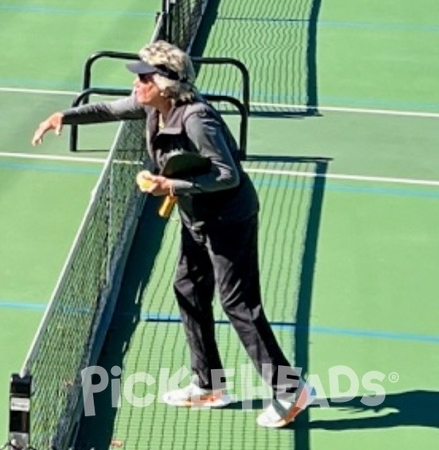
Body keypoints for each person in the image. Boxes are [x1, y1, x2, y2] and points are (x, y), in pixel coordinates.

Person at [31, 41, 315, 429]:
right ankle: (210, 384)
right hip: (196, 217)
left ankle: (290, 390)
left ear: (165, 83)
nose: (136, 84)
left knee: (239, 305)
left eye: (143, 77)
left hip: (228, 218)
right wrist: (63, 116)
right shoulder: (151, 106)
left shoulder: (198, 119)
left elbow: (226, 173)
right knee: (189, 290)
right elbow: (106, 109)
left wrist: (172, 184)